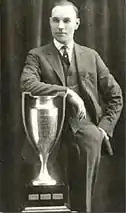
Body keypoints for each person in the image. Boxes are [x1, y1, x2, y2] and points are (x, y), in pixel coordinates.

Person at [20, 1, 123, 212]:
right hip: (47, 131)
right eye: (56, 20)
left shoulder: (91, 56)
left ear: (77, 23)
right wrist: (67, 92)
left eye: (66, 21)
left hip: (84, 130)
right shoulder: (37, 56)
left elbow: (116, 95)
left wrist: (103, 129)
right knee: (48, 198)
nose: (61, 26)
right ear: (49, 22)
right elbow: (27, 83)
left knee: (82, 200)